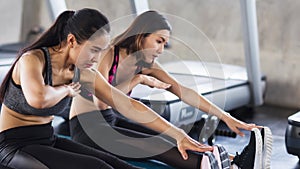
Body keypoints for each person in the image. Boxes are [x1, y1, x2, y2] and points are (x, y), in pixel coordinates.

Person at [69, 10, 272, 169]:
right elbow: (102, 101)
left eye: (165, 44)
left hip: (111, 120)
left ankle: (233, 161)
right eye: (159, 41)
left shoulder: (145, 63)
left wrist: (226, 116)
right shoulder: (108, 54)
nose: (161, 49)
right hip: (87, 129)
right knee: (156, 145)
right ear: (141, 35)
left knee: (172, 137)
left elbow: (183, 91)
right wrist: (137, 80)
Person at [0, 8, 145, 169]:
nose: (96, 59)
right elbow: (39, 100)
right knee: (98, 167)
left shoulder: (80, 72)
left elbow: (124, 103)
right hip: (13, 146)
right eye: (94, 50)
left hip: (47, 139)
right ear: (71, 41)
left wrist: (176, 134)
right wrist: (67, 90)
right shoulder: (32, 60)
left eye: (100, 52)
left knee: (116, 164)